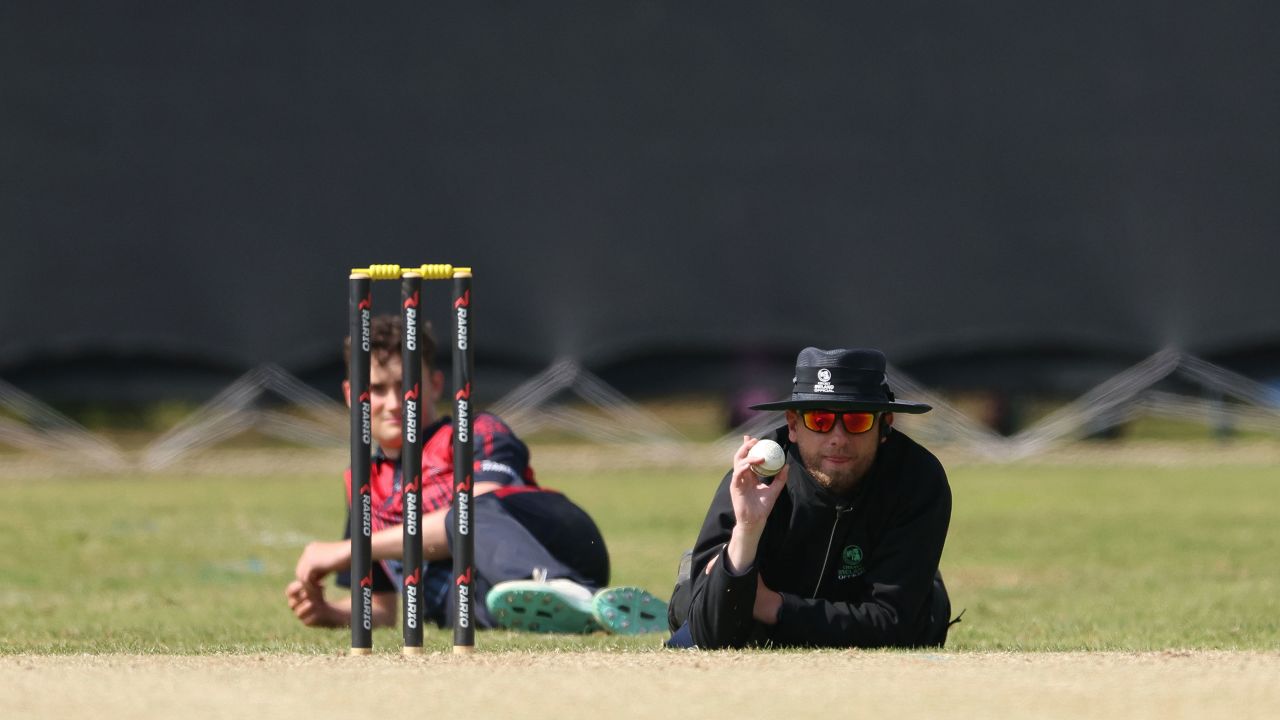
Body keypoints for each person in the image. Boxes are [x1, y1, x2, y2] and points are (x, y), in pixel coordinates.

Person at [284, 314, 666, 635]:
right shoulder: (363, 483)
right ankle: (580, 613)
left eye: (406, 386)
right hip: (476, 596)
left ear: (434, 385)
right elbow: (383, 611)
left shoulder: (474, 431)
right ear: (354, 395)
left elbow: (469, 518)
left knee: (465, 509)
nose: (395, 403)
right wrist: (329, 614)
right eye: (378, 389)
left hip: (557, 540)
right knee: (456, 604)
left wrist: (349, 550)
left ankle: (564, 590)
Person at [666, 347, 955, 648]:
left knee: (924, 619)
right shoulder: (756, 477)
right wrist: (746, 533)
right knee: (698, 597)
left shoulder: (917, 479)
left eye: (858, 421)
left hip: (838, 604)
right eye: (820, 420)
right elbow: (709, 636)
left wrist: (772, 605)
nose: (838, 438)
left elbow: (893, 623)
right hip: (779, 616)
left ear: (885, 426)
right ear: (793, 425)